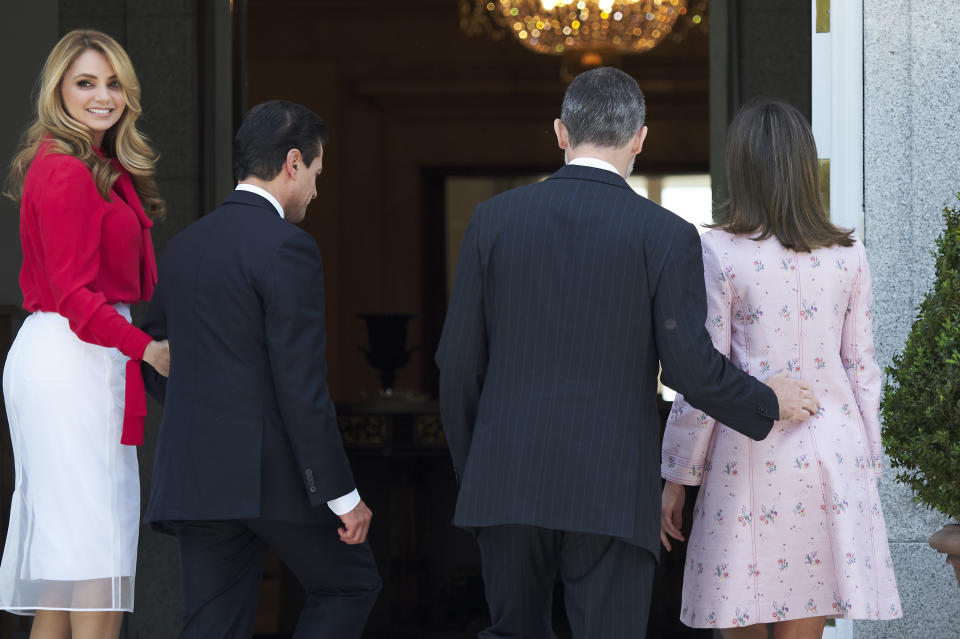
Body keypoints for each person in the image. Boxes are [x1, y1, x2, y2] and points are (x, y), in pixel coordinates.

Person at [436, 67, 819, 639]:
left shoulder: (494, 220)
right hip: (612, 488)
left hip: (505, 480)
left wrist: (475, 471)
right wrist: (768, 401)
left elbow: (458, 365)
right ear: (640, 138)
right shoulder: (664, 233)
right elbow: (691, 369)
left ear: (561, 133)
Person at [660, 100, 902, 638]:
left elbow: (704, 373)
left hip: (748, 458)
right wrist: (868, 463)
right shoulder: (848, 253)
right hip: (831, 459)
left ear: (740, 167)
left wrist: (678, 474)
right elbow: (862, 368)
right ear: (803, 166)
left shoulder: (719, 250)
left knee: (738, 617)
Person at [139, 99, 380, 639]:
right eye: (317, 173)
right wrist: (344, 496)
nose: (317, 189)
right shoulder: (289, 247)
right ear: (293, 162)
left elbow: (153, 358)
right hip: (273, 476)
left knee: (211, 627)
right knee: (349, 584)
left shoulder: (181, 248)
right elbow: (302, 386)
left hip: (196, 478)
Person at [0, 29, 169, 639]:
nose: (103, 95)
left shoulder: (92, 165)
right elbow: (75, 295)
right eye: (85, 83)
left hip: (71, 352)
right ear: (59, 92)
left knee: (71, 560)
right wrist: (146, 348)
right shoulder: (68, 171)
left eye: (112, 82)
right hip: (76, 355)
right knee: (96, 544)